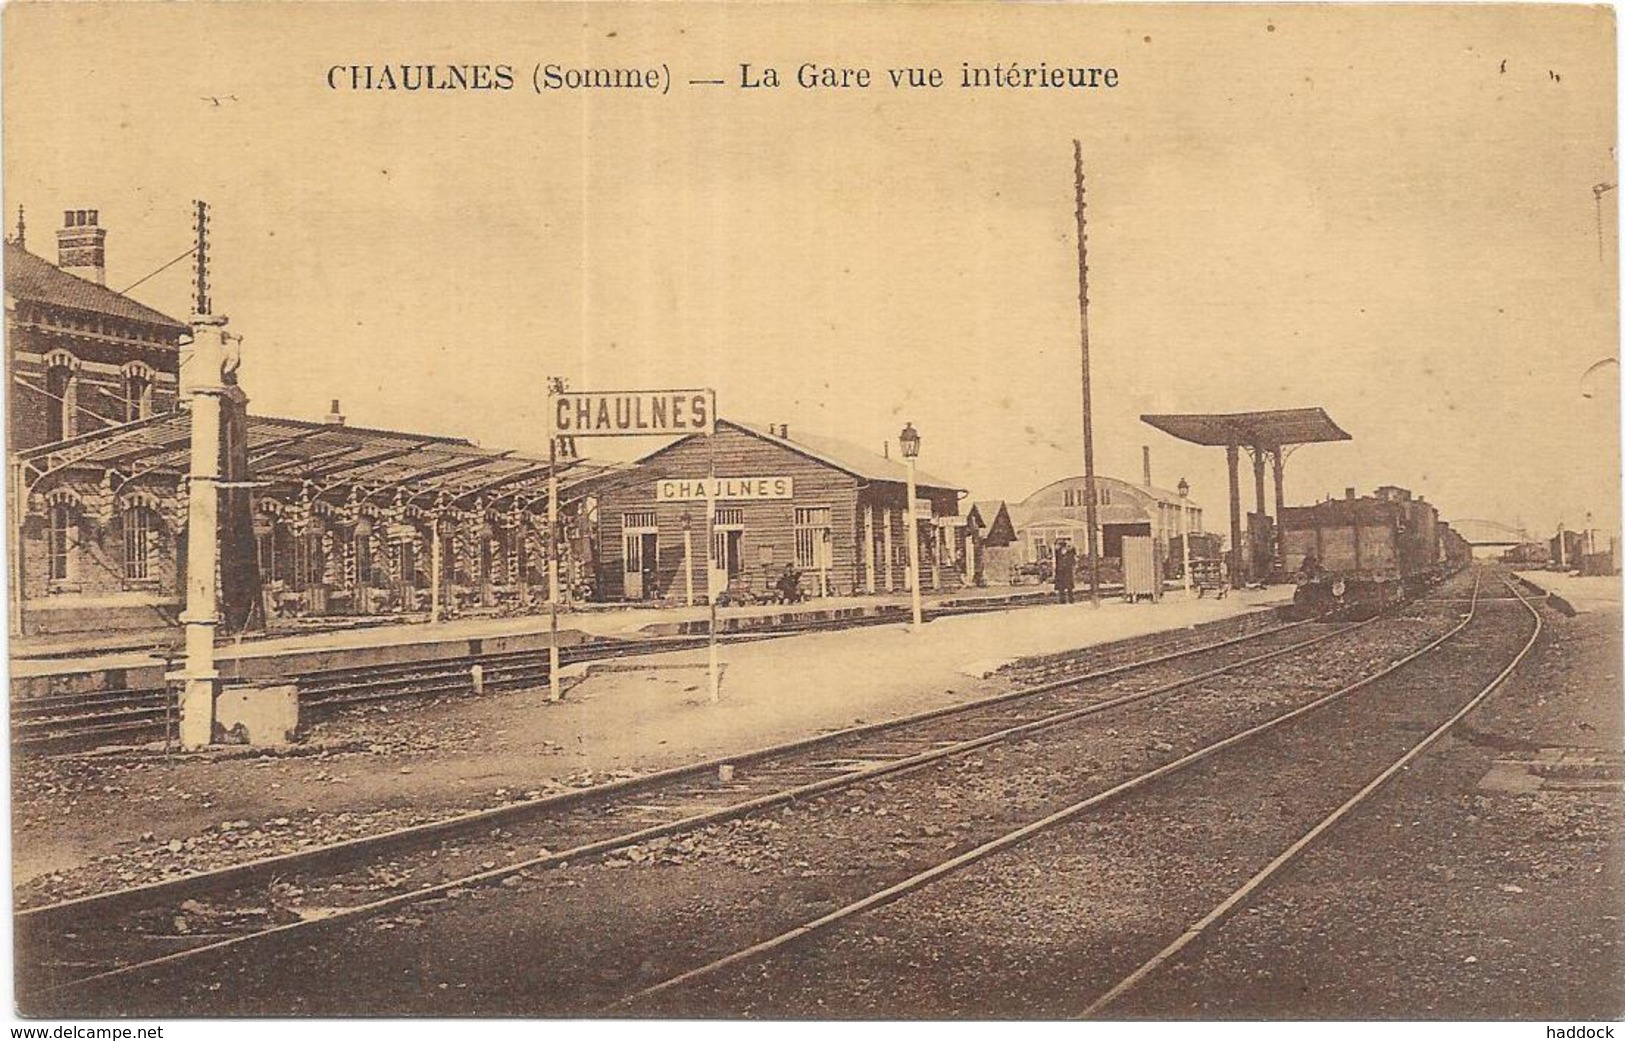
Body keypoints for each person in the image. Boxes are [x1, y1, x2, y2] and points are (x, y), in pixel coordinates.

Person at [1053, 539, 1078, 604]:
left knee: (1069, 586)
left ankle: (1071, 599)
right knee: (1061, 587)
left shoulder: (1070, 551)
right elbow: (1055, 548)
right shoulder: (1058, 551)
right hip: (1060, 571)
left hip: (1067, 570)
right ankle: (1062, 600)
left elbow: (1073, 552)